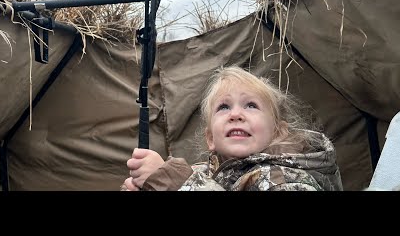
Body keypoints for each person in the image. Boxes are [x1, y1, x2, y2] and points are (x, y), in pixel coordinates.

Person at [122, 65, 343, 191]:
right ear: (210, 139)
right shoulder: (205, 174)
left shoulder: (284, 179)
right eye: (224, 107)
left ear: (277, 131)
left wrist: (173, 181)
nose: (236, 114)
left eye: (251, 105)